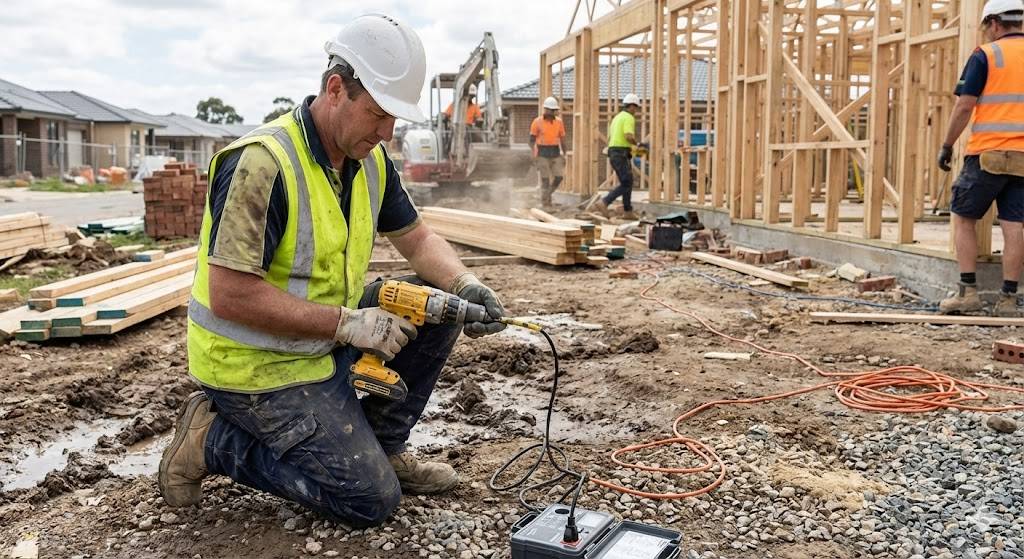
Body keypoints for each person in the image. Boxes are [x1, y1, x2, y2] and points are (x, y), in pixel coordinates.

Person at [157, 14, 506, 528]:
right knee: (369, 502)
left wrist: (464, 284)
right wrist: (349, 324)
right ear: (336, 88)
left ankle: (383, 447)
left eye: (395, 119)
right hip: (256, 362)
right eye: (378, 113)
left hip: (322, 335)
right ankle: (212, 439)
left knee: (439, 306)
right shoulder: (262, 164)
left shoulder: (370, 160)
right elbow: (231, 295)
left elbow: (419, 238)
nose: (387, 131)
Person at [937, 0, 1024, 315]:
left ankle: (968, 292)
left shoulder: (985, 55)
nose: (986, 32)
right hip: (1023, 159)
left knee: (963, 217)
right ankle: (1009, 299)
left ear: (996, 23)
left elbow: (964, 106)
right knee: (1015, 225)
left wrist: (947, 144)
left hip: (987, 153)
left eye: (987, 26)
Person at [595, 93, 641, 219]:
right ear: (631, 106)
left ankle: (627, 211)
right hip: (621, 153)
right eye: (635, 108)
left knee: (627, 182)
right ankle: (604, 202)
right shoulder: (628, 117)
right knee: (627, 183)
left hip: (614, 153)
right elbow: (628, 136)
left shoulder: (617, 118)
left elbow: (613, 137)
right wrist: (637, 144)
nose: (636, 111)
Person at [529, 96, 568, 207]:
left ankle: (547, 196)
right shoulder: (537, 122)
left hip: (555, 152)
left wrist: (564, 154)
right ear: (546, 110)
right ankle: (545, 202)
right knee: (545, 179)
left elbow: (562, 139)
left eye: (554, 110)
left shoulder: (559, 122)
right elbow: (531, 141)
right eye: (551, 110)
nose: (553, 112)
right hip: (542, 153)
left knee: (559, 177)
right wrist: (533, 155)